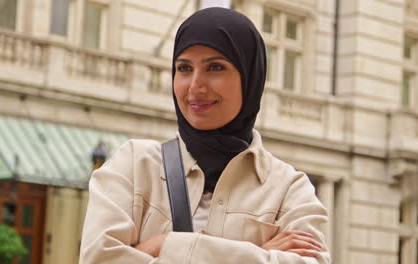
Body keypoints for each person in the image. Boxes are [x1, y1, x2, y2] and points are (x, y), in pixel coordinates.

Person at [80, 7, 330, 264]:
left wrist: (164, 244)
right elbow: (98, 259)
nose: (196, 86)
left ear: (249, 78)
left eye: (215, 67)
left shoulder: (288, 188)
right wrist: (259, 254)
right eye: (185, 68)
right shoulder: (134, 165)